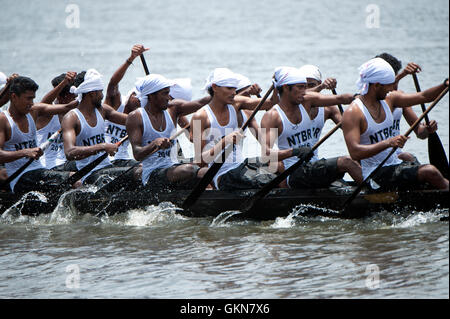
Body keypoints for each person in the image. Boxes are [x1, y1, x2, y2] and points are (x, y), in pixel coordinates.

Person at [341, 57, 449, 190]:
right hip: (375, 175)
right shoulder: (353, 112)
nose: (393, 88)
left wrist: (445, 84)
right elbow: (355, 153)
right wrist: (388, 143)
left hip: (395, 164)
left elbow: (424, 97)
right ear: (376, 85)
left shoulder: (390, 99)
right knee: (430, 171)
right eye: (389, 85)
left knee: (430, 176)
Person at [260, 66, 361, 189]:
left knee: (356, 159)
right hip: (294, 174)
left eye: (306, 87)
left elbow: (340, 99)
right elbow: (267, 154)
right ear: (286, 88)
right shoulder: (271, 117)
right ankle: (377, 195)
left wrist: (357, 97)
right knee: (347, 162)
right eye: (301, 87)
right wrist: (295, 152)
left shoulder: (308, 101)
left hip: (313, 166)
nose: (305, 91)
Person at [189, 67, 278, 190]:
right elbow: (199, 161)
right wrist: (225, 141)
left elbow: (272, 102)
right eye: (229, 88)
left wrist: (276, 84)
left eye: (235, 89)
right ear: (215, 87)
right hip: (221, 174)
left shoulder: (236, 104)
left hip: (240, 167)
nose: (234, 93)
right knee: (264, 180)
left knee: (276, 170)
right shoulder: (200, 117)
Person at [126, 74, 206, 192]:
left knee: (205, 167)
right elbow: (137, 154)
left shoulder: (173, 109)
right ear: (151, 95)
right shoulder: (136, 117)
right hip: (152, 173)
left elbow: (200, 103)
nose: (169, 97)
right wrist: (154, 144)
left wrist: (219, 95)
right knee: (189, 170)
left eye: (169, 93)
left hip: (172, 166)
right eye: (165, 93)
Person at [0, 76, 73, 194]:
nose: (31, 103)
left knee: (72, 182)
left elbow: (67, 107)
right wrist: (25, 152)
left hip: (39, 171)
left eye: (33, 99)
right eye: (28, 99)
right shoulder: (3, 120)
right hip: (20, 178)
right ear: (14, 97)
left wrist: (85, 93)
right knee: (74, 178)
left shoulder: (34, 111)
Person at [61, 69, 133, 187]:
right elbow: (69, 152)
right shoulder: (71, 118)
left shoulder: (103, 110)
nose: (102, 95)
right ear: (91, 93)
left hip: (106, 167)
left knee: (140, 170)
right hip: (89, 174)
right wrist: (102, 146)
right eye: (100, 92)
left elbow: (131, 120)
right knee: (137, 172)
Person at [375, 53, 438, 163]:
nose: (394, 86)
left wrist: (428, 128)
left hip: (395, 155)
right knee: (407, 157)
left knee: (409, 158)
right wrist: (403, 74)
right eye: (391, 79)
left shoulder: (401, 99)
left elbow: (420, 133)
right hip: (374, 157)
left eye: (396, 76)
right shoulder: (370, 101)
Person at [33, 71, 85, 172]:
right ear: (62, 97)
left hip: (64, 162)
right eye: (74, 96)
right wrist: (64, 82)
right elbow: (44, 102)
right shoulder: (48, 113)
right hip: (47, 165)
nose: (76, 99)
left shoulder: (73, 115)